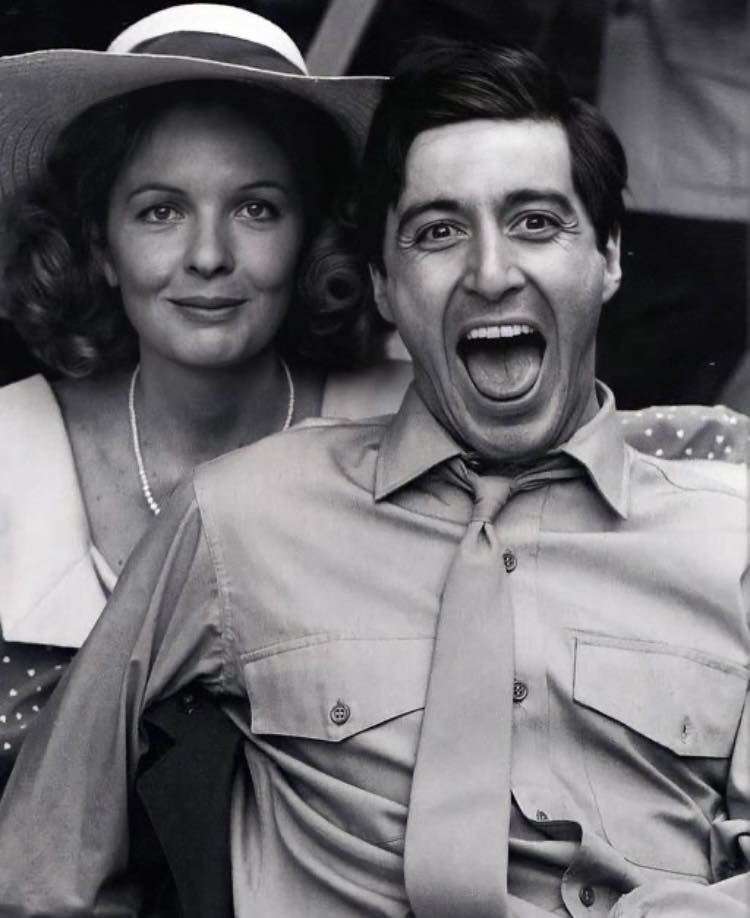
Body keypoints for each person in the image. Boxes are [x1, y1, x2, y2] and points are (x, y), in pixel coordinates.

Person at [0, 38, 748, 918]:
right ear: (385, 285)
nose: (492, 272)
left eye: (536, 223)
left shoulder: (729, 540)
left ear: (611, 256)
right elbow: (43, 870)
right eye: (438, 232)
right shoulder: (238, 516)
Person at [0, 3, 412, 791]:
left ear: (313, 236)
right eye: (160, 211)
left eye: (257, 208)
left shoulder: (410, 428)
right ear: (100, 246)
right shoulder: (8, 451)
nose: (210, 256)